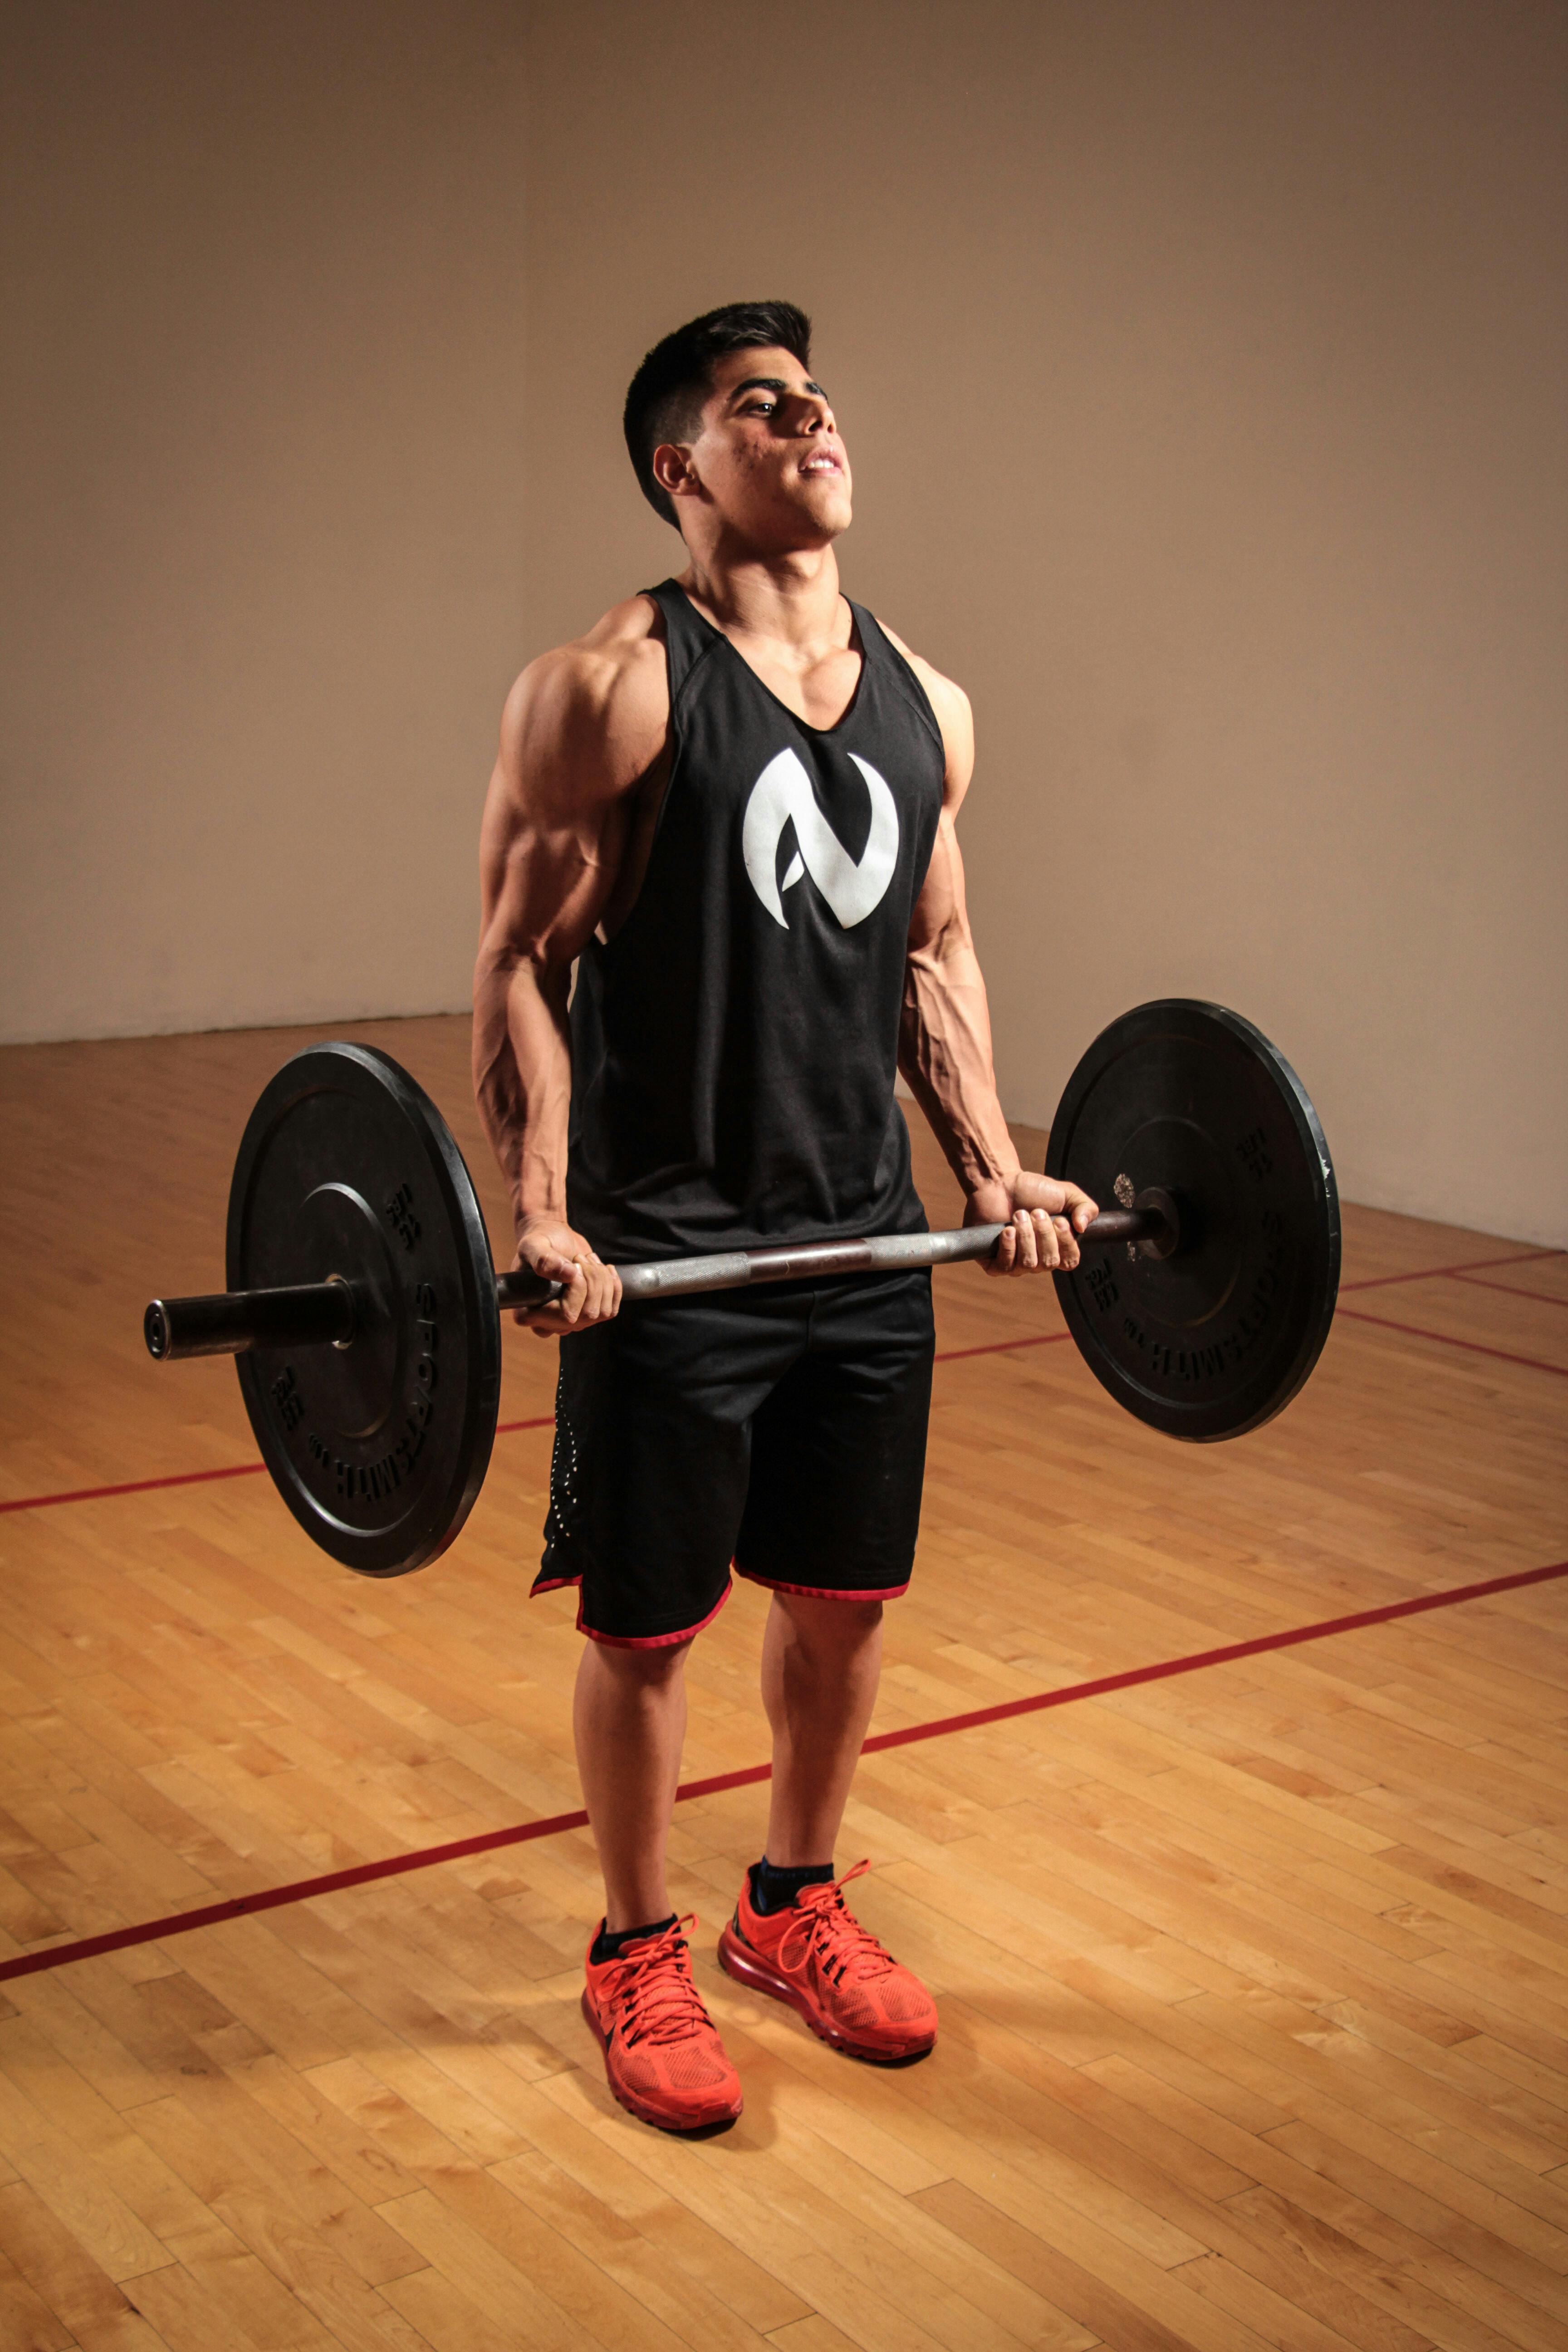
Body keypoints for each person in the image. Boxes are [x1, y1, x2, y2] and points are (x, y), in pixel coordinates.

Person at [473, 301, 1096, 2133]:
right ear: (687, 468)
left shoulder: (931, 704)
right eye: (766, 404)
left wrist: (994, 1167)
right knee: (647, 1632)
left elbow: (937, 955)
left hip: (859, 1240)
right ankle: (633, 1947)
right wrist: (546, 1211)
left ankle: (791, 1906)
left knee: (842, 1605)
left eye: (819, 398)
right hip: (670, 1252)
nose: (813, 418)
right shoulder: (609, 688)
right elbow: (522, 960)